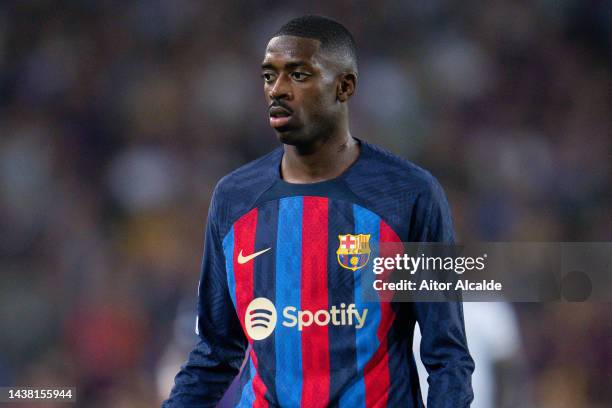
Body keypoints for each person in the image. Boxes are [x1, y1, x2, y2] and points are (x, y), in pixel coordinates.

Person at [163, 15, 473, 408]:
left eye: (298, 75)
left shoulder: (409, 195)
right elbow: (213, 356)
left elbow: (447, 357)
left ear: (345, 86)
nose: (277, 90)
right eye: (268, 76)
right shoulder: (234, 198)